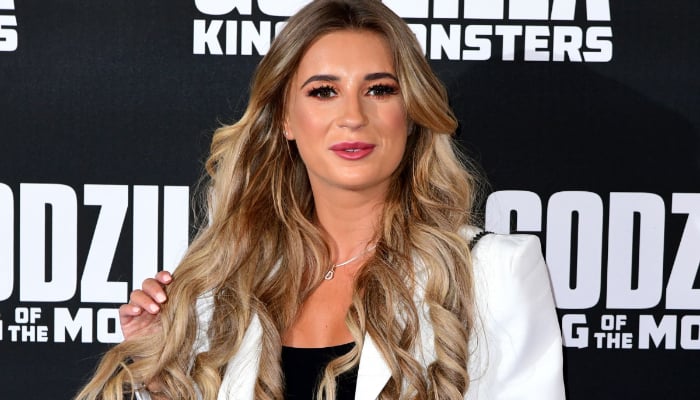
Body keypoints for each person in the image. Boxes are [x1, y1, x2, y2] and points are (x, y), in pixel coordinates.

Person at [75, 0, 565, 399]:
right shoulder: (228, 282)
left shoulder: (493, 271)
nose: (352, 116)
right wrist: (159, 372)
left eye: (379, 89)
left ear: (412, 113)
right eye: (324, 91)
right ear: (285, 119)